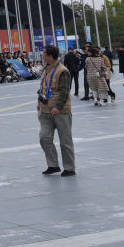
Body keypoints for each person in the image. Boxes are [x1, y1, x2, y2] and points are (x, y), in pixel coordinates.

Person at [37, 44, 75, 177]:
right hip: (45, 110)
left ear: (50, 56)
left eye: (44, 53)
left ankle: (69, 168)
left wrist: (57, 107)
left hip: (60, 112)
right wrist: (39, 102)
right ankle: (53, 165)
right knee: (44, 138)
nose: (42, 55)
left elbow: (65, 92)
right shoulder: (45, 69)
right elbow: (42, 88)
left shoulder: (62, 71)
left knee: (65, 141)